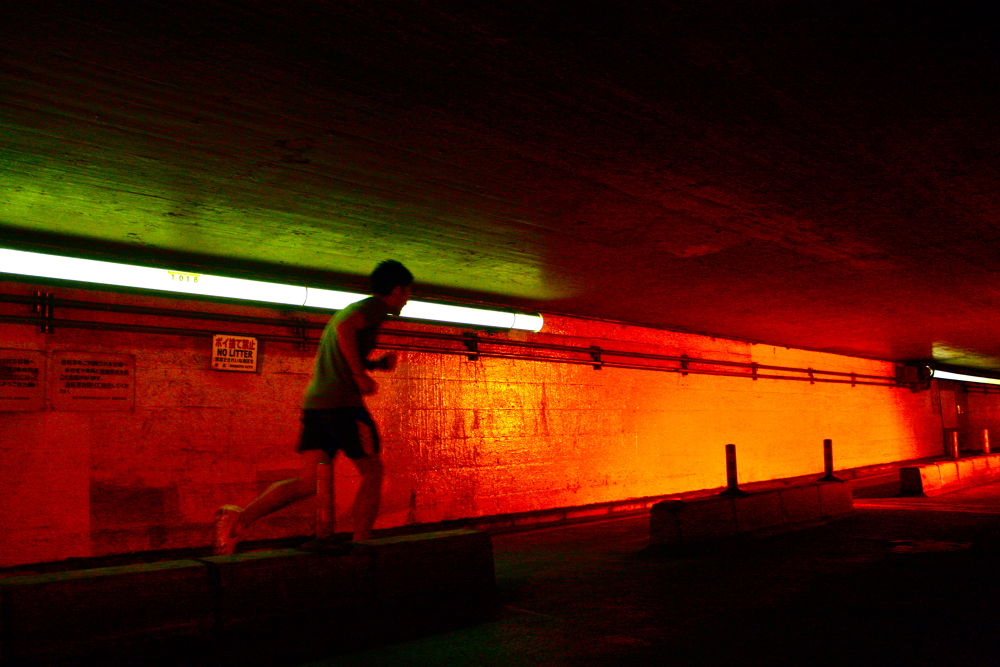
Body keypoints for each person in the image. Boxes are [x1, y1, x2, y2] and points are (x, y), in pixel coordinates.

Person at [214, 260, 413, 555]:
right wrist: (360, 376)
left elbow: (340, 350)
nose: (406, 301)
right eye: (407, 294)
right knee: (372, 473)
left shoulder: (356, 310)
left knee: (307, 482)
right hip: (343, 406)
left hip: (317, 406)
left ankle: (238, 519)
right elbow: (345, 331)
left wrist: (373, 365)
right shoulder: (373, 308)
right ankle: (362, 545)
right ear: (396, 290)